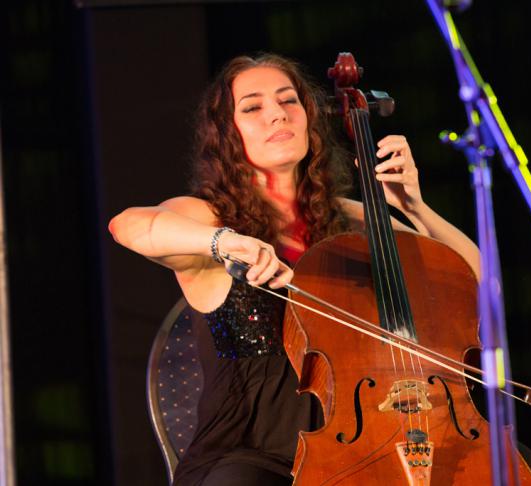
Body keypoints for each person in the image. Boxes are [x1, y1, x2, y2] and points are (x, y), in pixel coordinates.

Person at [108, 53, 480, 485]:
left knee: (502, 464)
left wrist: (416, 207)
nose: (277, 114)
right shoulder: (209, 217)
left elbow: (473, 283)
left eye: (289, 101)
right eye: (252, 107)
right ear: (228, 132)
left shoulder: (355, 219)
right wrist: (223, 242)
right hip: (255, 456)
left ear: (308, 117)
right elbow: (129, 226)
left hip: (366, 445)